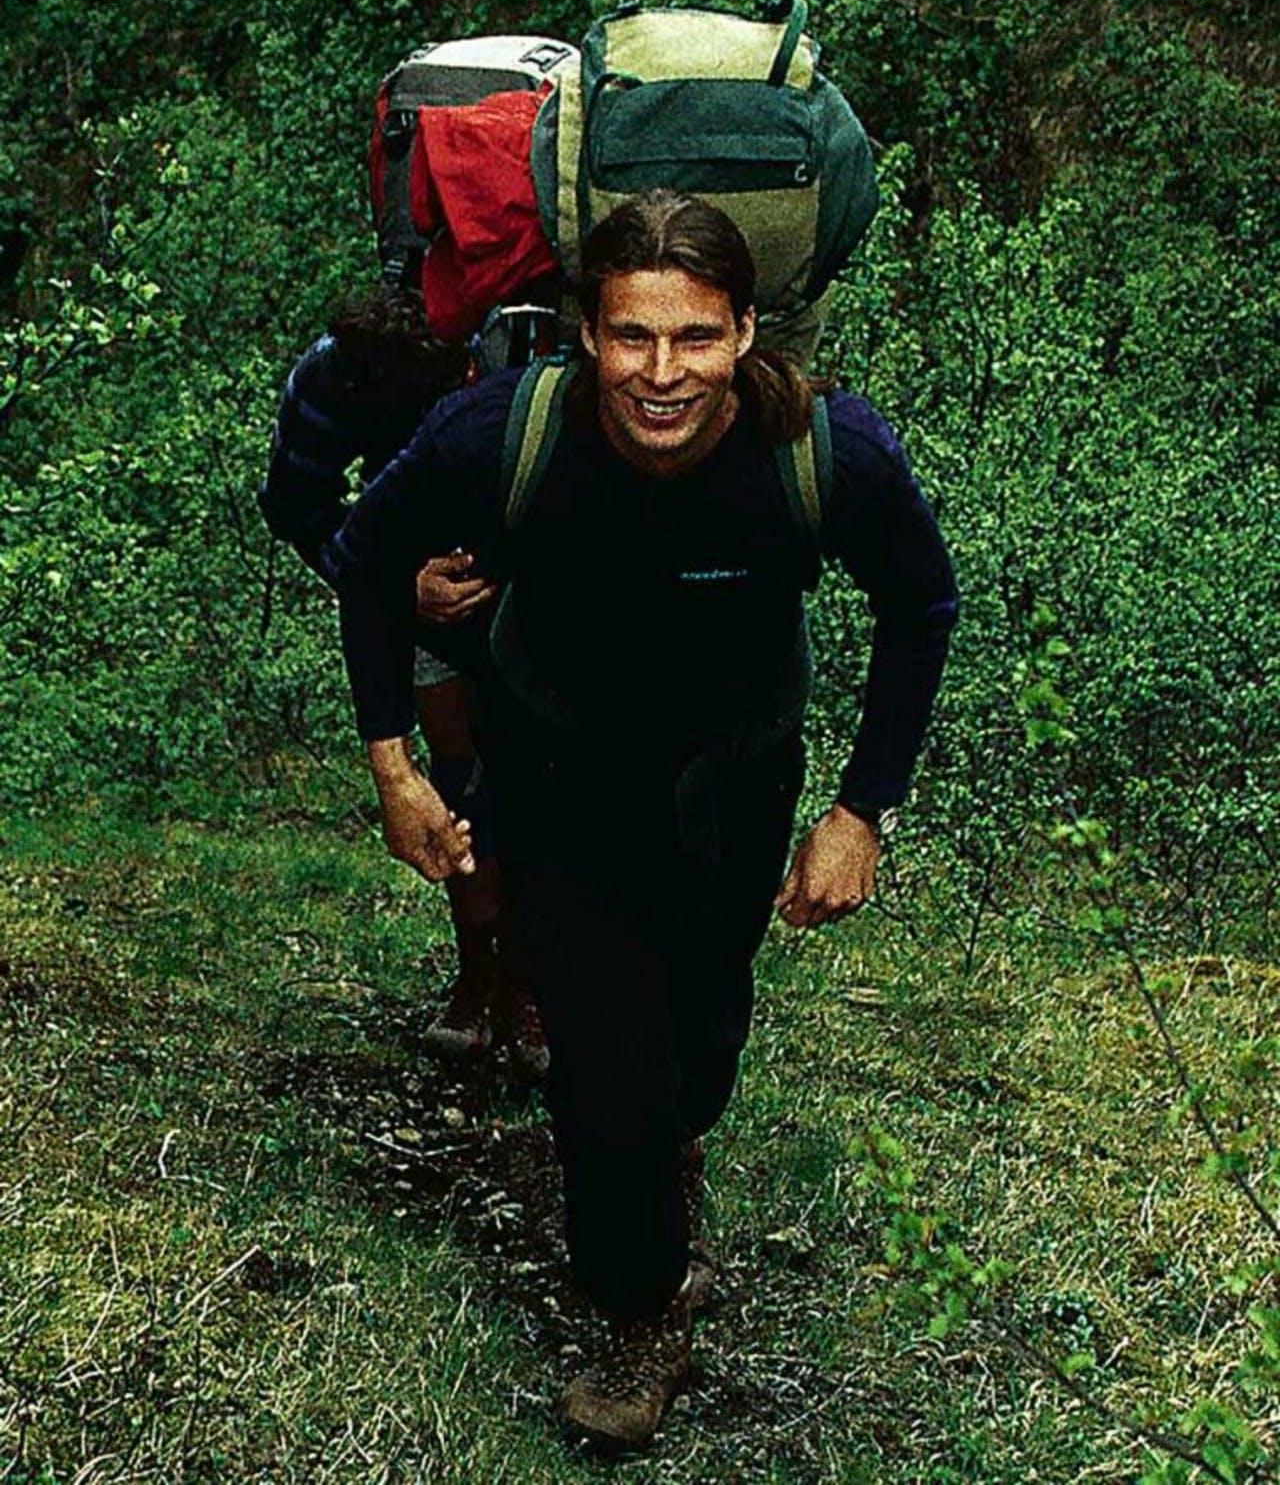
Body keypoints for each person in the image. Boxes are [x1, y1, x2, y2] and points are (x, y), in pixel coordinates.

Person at [317, 192, 959, 1450]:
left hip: (735, 781)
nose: (661, 375)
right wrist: (398, 769)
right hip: (559, 780)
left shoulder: (825, 453)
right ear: (582, 336)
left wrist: (860, 810)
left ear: (745, 335)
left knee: (699, 1052)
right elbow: (362, 554)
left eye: (694, 339)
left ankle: (665, 1163)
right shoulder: (499, 430)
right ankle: (636, 1310)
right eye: (630, 338)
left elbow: (918, 608)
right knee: (607, 1081)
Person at [257, 289, 546, 1075]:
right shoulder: (336, 377)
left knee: (538, 778)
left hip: (540, 592)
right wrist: (388, 577)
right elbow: (296, 505)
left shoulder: (534, 368)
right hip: (422, 598)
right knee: (458, 782)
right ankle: (480, 970)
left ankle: (528, 978)